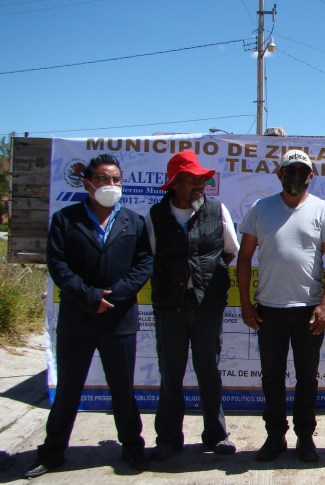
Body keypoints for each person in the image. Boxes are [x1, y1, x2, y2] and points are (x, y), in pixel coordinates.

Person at [25, 155, 153, 478]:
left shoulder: (133, 222)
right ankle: (52, 452)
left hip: (119, 319)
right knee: (69, 388)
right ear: (87, 183)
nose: (111, 185)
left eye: (116, 180)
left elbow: (143, 265)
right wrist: (89, 297)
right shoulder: (66, 220)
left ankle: (133, 448)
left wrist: (115, 295)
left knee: (123, 388)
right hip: (78, 320)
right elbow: (58, 265)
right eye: (103, 179)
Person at [237, 149, 325, 463]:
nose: (295, 176)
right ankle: (274, 437)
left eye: (302, 171)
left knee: (307, 378)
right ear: (279, 174)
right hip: (268, 309)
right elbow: (244, 259)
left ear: (311, 176)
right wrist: (245, 304)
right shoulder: (260, 209)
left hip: (308, 311)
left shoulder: (323, 210)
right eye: (290, 171)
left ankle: (305, 438)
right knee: (271, 378)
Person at [146, 151, 239, 461]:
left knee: (208, 371)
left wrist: (202, 280)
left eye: (203, 178)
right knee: (170, 372)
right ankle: (168, 438)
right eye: (193, 178)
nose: (201, 184)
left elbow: (229, 252)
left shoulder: (217, 211)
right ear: (174, 183)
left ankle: (217, 434)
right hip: (169, 308)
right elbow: (150, 258)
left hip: (207, 307)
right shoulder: (155, 217)